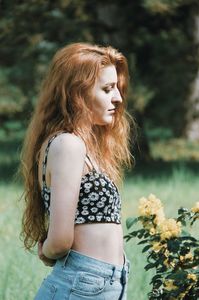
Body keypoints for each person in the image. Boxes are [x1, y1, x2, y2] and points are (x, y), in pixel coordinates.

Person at [20, 42, 133, 300]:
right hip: (84, 286)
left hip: (101, 284)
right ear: (76, 93)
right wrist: (47, 251)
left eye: (116, 88)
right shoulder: (67, 145)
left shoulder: (80, 145)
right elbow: (60, 240)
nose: (117, 97)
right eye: (107, 89)